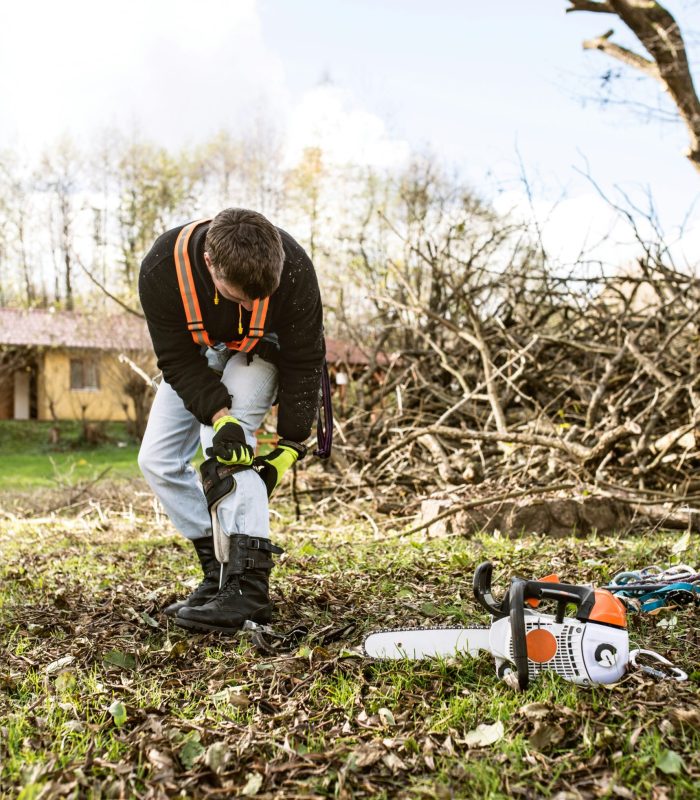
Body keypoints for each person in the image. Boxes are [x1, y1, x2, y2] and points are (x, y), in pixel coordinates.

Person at [138, 208, 324, 633]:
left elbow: (306, 358)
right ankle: (219, 570)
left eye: (259, 298)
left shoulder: (295, 269)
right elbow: (176, 358)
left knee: (224, 450)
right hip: (196, 357)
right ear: (209, 262)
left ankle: (249, 590)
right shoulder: (162, 269)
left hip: (264, 351)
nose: (250, 305)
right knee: (157, 459)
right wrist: (218, 414)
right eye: (240, 296)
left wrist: (291, 444)